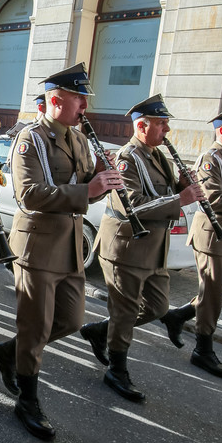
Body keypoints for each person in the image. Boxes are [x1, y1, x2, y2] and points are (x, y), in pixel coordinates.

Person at [0, 63, 123, 440]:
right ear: (57, 100)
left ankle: (9, 352)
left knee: (71, 320)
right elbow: (29, 195)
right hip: (37, 245)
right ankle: (27, 400)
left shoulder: (79, 139)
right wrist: (88, 189)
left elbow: (82, 187)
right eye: (80, 99)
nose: (85, 106)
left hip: (69, 244)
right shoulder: (30, 139)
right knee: (36, 326)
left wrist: (101, 177)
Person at [77, 95, 203, 401]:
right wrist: (181, 198)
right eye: (161, 124)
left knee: (158, 307)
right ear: (142, 126)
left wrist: (181, 185)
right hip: (127, 247)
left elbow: (162, 193)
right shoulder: (127, 158)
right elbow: (133, 205)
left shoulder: (158, 156)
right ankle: (116, 370)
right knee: (126, 310)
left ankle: (101, 331)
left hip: (153, 247)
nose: (167, 129)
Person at [162, 104, 222, 379]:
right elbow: (214, 199)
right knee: (213, 294)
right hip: (213, 236)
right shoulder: (210, 159)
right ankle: (202, 349)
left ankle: (180, 315)